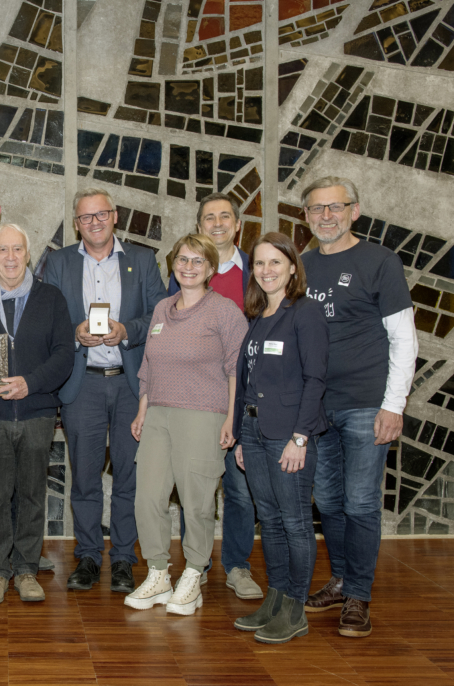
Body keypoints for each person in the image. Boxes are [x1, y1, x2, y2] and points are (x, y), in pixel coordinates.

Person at [300, 176, 417, 638]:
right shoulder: (302, 266)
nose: (325, 216)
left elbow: (404, 339)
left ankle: (359, 597)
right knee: (327, 500)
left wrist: (394, 404)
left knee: (361, 501)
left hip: (367, 405)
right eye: (316, 209)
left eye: (335, 207)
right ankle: (343, 579)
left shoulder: (379, 261)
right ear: (305, 216)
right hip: (317, 408)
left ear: (355, 210)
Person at [42, 188, 167, 593]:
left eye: (101, 215)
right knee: (85, 479)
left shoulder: (143, 260)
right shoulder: (58, 262)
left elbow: (161, 314)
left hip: (131, 385)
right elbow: (48, 319)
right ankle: (90, 557)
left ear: (115, 217)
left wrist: (128, 331)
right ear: (76, 223)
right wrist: (74, 333)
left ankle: (125, 560)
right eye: (85, 217)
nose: (94, 222)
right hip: (84, 386)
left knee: (130, 475)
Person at [126, 233, 246, 615]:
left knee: (196, 503)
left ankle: (193, 574)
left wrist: (231, 418)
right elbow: (149, 367)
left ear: (210, 268)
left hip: (204, 415)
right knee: (147, 497)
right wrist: (143, 410)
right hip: (158, 414)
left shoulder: (224, 311)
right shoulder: (162, 309)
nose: (188, 267)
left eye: (198, 261)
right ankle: (158, 573)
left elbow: (237, 370)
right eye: (182, 260)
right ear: (173, 265)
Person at [0, 224, 73, 604]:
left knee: (31, 493)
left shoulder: (52, 298)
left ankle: (26, 570)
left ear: (28, 255)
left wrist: (32, 382)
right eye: (2, 250)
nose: (10, 257)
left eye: (17, 250)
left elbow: (64, 354)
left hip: (36, 411)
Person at [231, 232, 329, 643]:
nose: (266, 270)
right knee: (269, 521)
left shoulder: (304, 313)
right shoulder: (258, 317)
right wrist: (238, 436)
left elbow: (315, 379)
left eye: (275, 262)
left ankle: (294, 609)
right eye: (259, 263)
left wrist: (301, 437)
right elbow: (248, 381)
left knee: (294, 523)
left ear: (292, 267)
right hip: (254, 432)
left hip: (288, 434)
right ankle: (275, 598)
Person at [169, 192, 261, 600]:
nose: (218, 223)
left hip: (245, 398)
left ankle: (238, 566)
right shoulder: (185, 272)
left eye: (226, 216)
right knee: (196, 490)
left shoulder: (256, 271)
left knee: (240, 490)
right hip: (196, 402)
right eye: (210, 217)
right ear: (199, 224)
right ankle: (196, 565)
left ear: (238, 224)